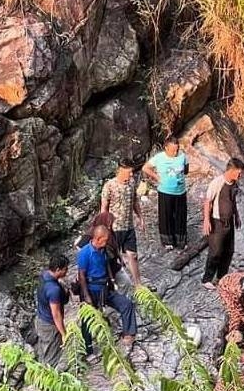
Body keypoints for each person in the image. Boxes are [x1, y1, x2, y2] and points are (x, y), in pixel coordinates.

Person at [76, 226, 138, 348]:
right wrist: (87, 296)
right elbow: (81, 275)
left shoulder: (103, 250)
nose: (106, 242)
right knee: (87, 319)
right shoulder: (85, 253)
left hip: (105, 287)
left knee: (126, 304)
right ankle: (86, 348)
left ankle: (129, 334)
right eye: (104, 240)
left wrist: (112, 280)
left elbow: (106, 264)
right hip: (91, 289)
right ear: (98, 239)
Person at [34, 254, 90, 367]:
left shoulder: (44, 275)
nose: (67, 272)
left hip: (40, 320)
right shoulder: (53, 289)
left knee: (44, 351)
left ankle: (43, 371)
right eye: (65, 269)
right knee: (52, 355)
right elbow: (56, 314)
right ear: (58, 269)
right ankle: (50, 378)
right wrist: (64, 333)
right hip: (49, 326)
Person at [100, 159, 145, 288]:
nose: (131, 175)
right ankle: (110, 283)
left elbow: (134, 201)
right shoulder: (109, 185)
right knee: (112, 258)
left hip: (129, 226)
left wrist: (140, 217)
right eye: (129, 172)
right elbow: (104, 207)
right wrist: (104, 226)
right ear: (121, 170)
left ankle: (138, 284)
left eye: (132, 172)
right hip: (114, 228)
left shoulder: (132, 183)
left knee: (133, 255)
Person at [201, 158, 244, 289]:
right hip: (217, 221)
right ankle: (207, 279)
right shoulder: (217, 183)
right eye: (239, 173)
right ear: (231, 171)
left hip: (229, 221)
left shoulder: (234, 184)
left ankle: (221, 277)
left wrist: (236, 216)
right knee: (215, 251)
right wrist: (206, 220)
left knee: (229, 251)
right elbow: (207, 201)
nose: (240, 176)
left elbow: (233, 200)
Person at [143, 136, 189, 250]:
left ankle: (180, 240)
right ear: (166, 148)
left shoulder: (182, 156)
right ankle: (167, 241)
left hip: (180, 191)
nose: (175, 152)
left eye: (177, 150)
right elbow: (146, 168)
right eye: (173, 150)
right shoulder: (159, 158)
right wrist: (156, 177)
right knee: (166, 216)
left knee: (180, 216)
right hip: (165, 191)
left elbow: (186, 169)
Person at [217, 270, 244, 345]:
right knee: (237, 315)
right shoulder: (237, 293)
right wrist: (235, 330)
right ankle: (234, 334)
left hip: (243, 279)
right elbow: (236, 312)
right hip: (227, 288)